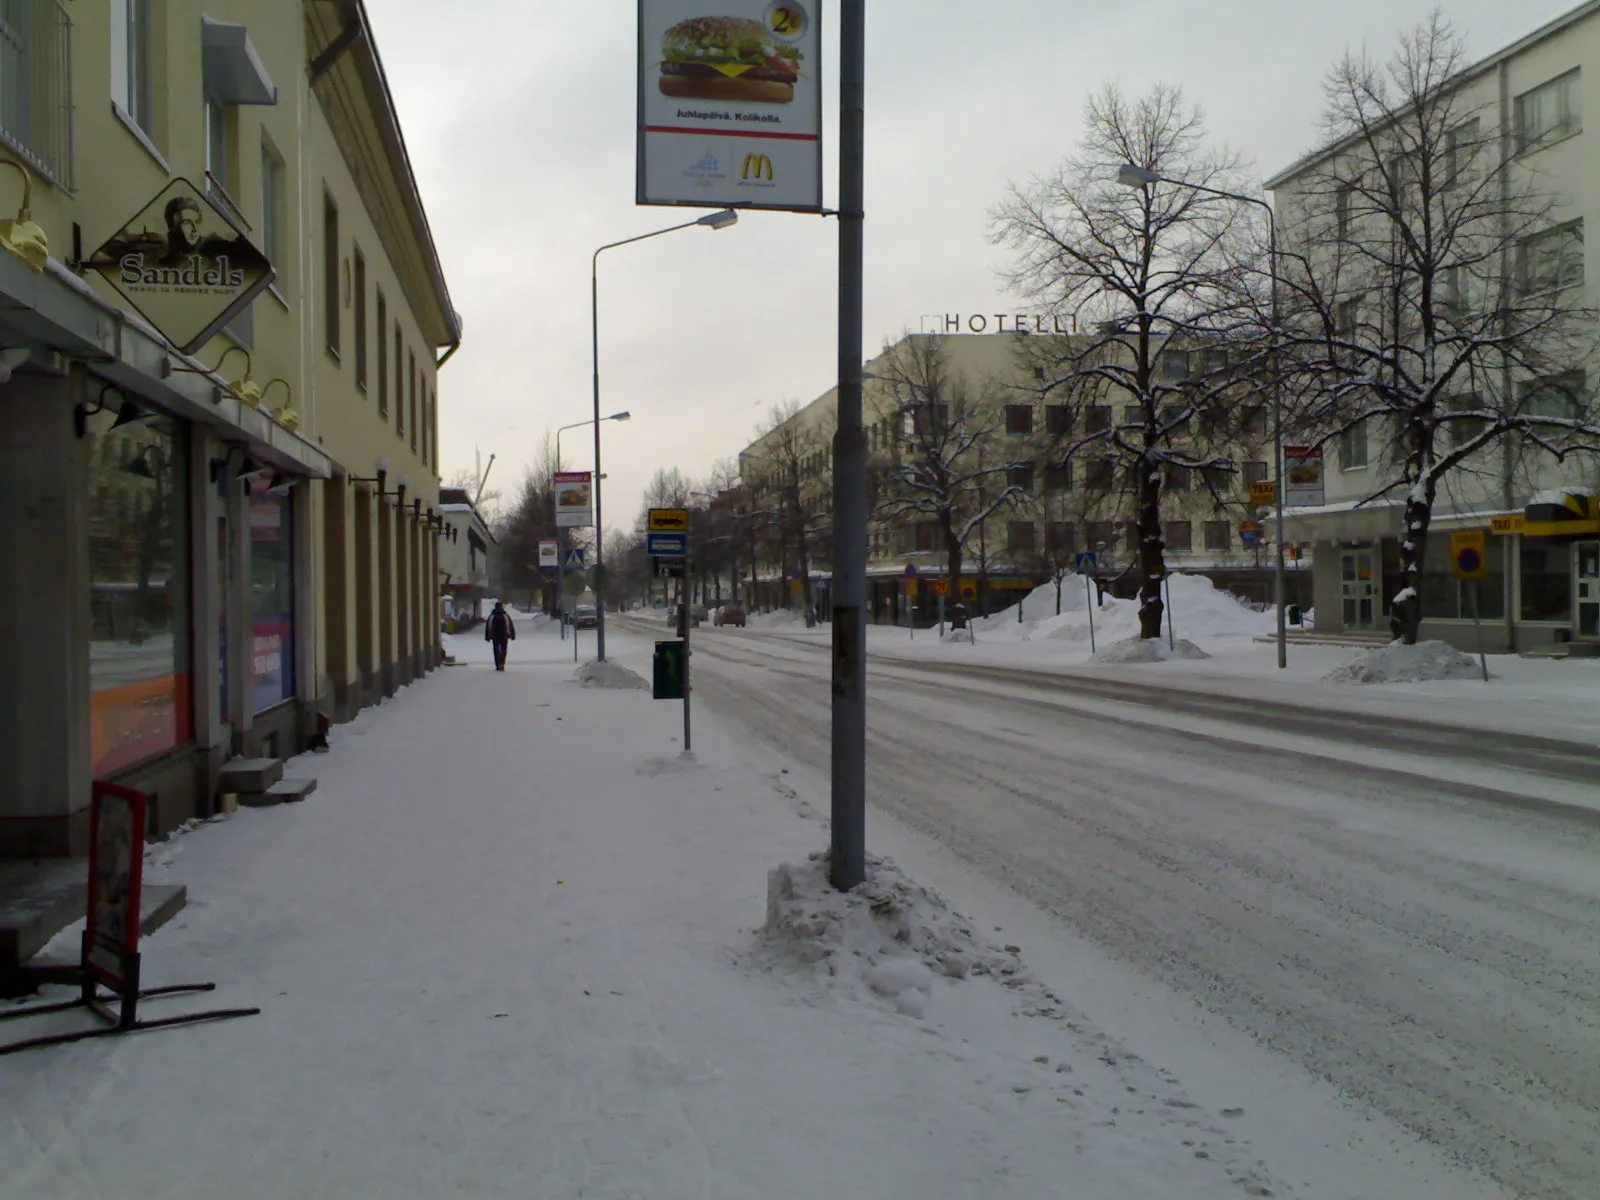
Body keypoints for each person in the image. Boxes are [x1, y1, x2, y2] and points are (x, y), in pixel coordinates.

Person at [485, 601, 515, 670]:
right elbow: (510, 626)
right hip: (504, 636)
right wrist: (512, 635)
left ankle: (498, 664)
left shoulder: (492, 616)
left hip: (495, 636)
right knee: (504, 650)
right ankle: (502, 663)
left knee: (496, 650)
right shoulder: (505, 616)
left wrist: (488, 636)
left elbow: (488, 626)